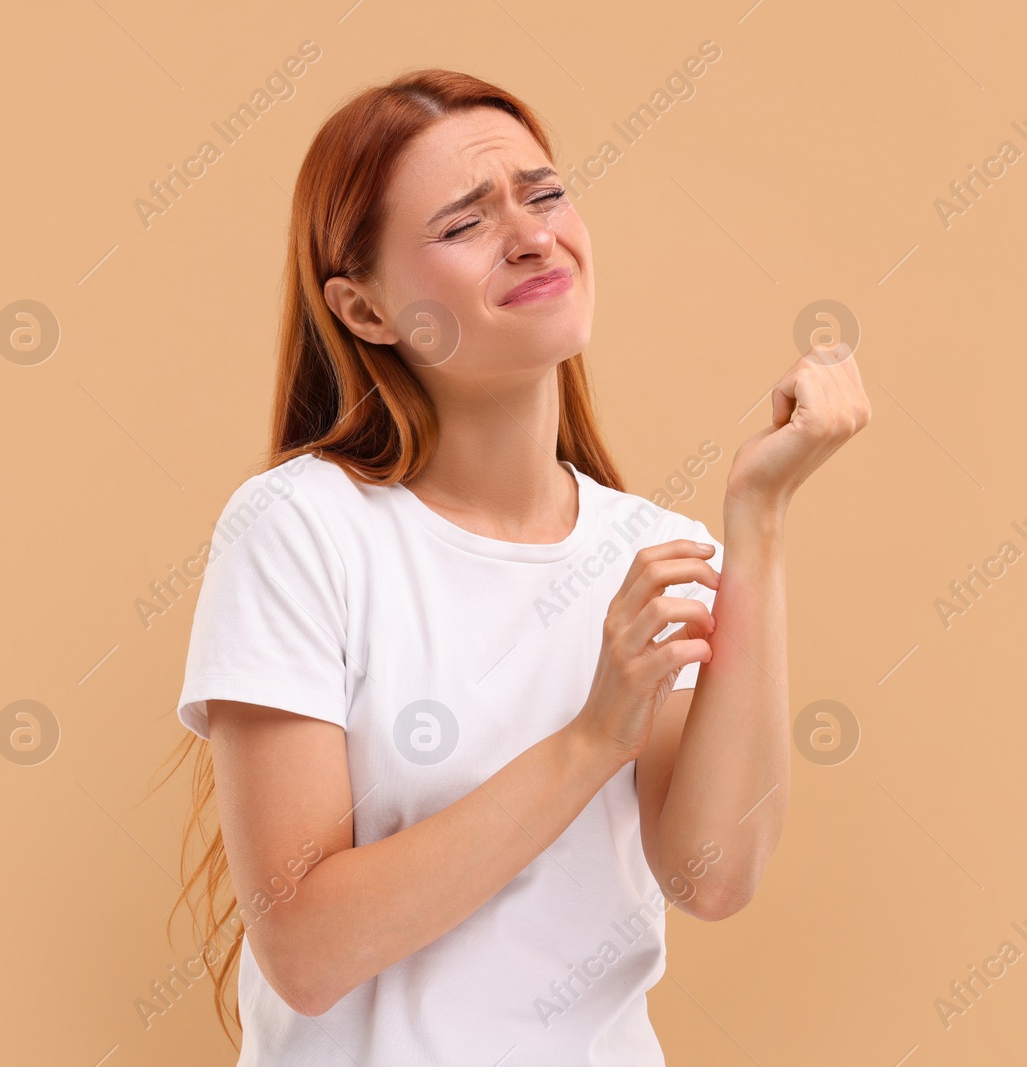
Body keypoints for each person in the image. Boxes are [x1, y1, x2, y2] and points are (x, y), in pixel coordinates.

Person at [157, 68, 870, 1065]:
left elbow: (710, 876)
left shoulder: (646, 551)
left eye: (543, 194)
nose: (533, 235)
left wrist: (757, 518)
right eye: (463, 224)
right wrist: (589, 741)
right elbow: (308, 950)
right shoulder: (299, 528)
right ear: (363, 310)